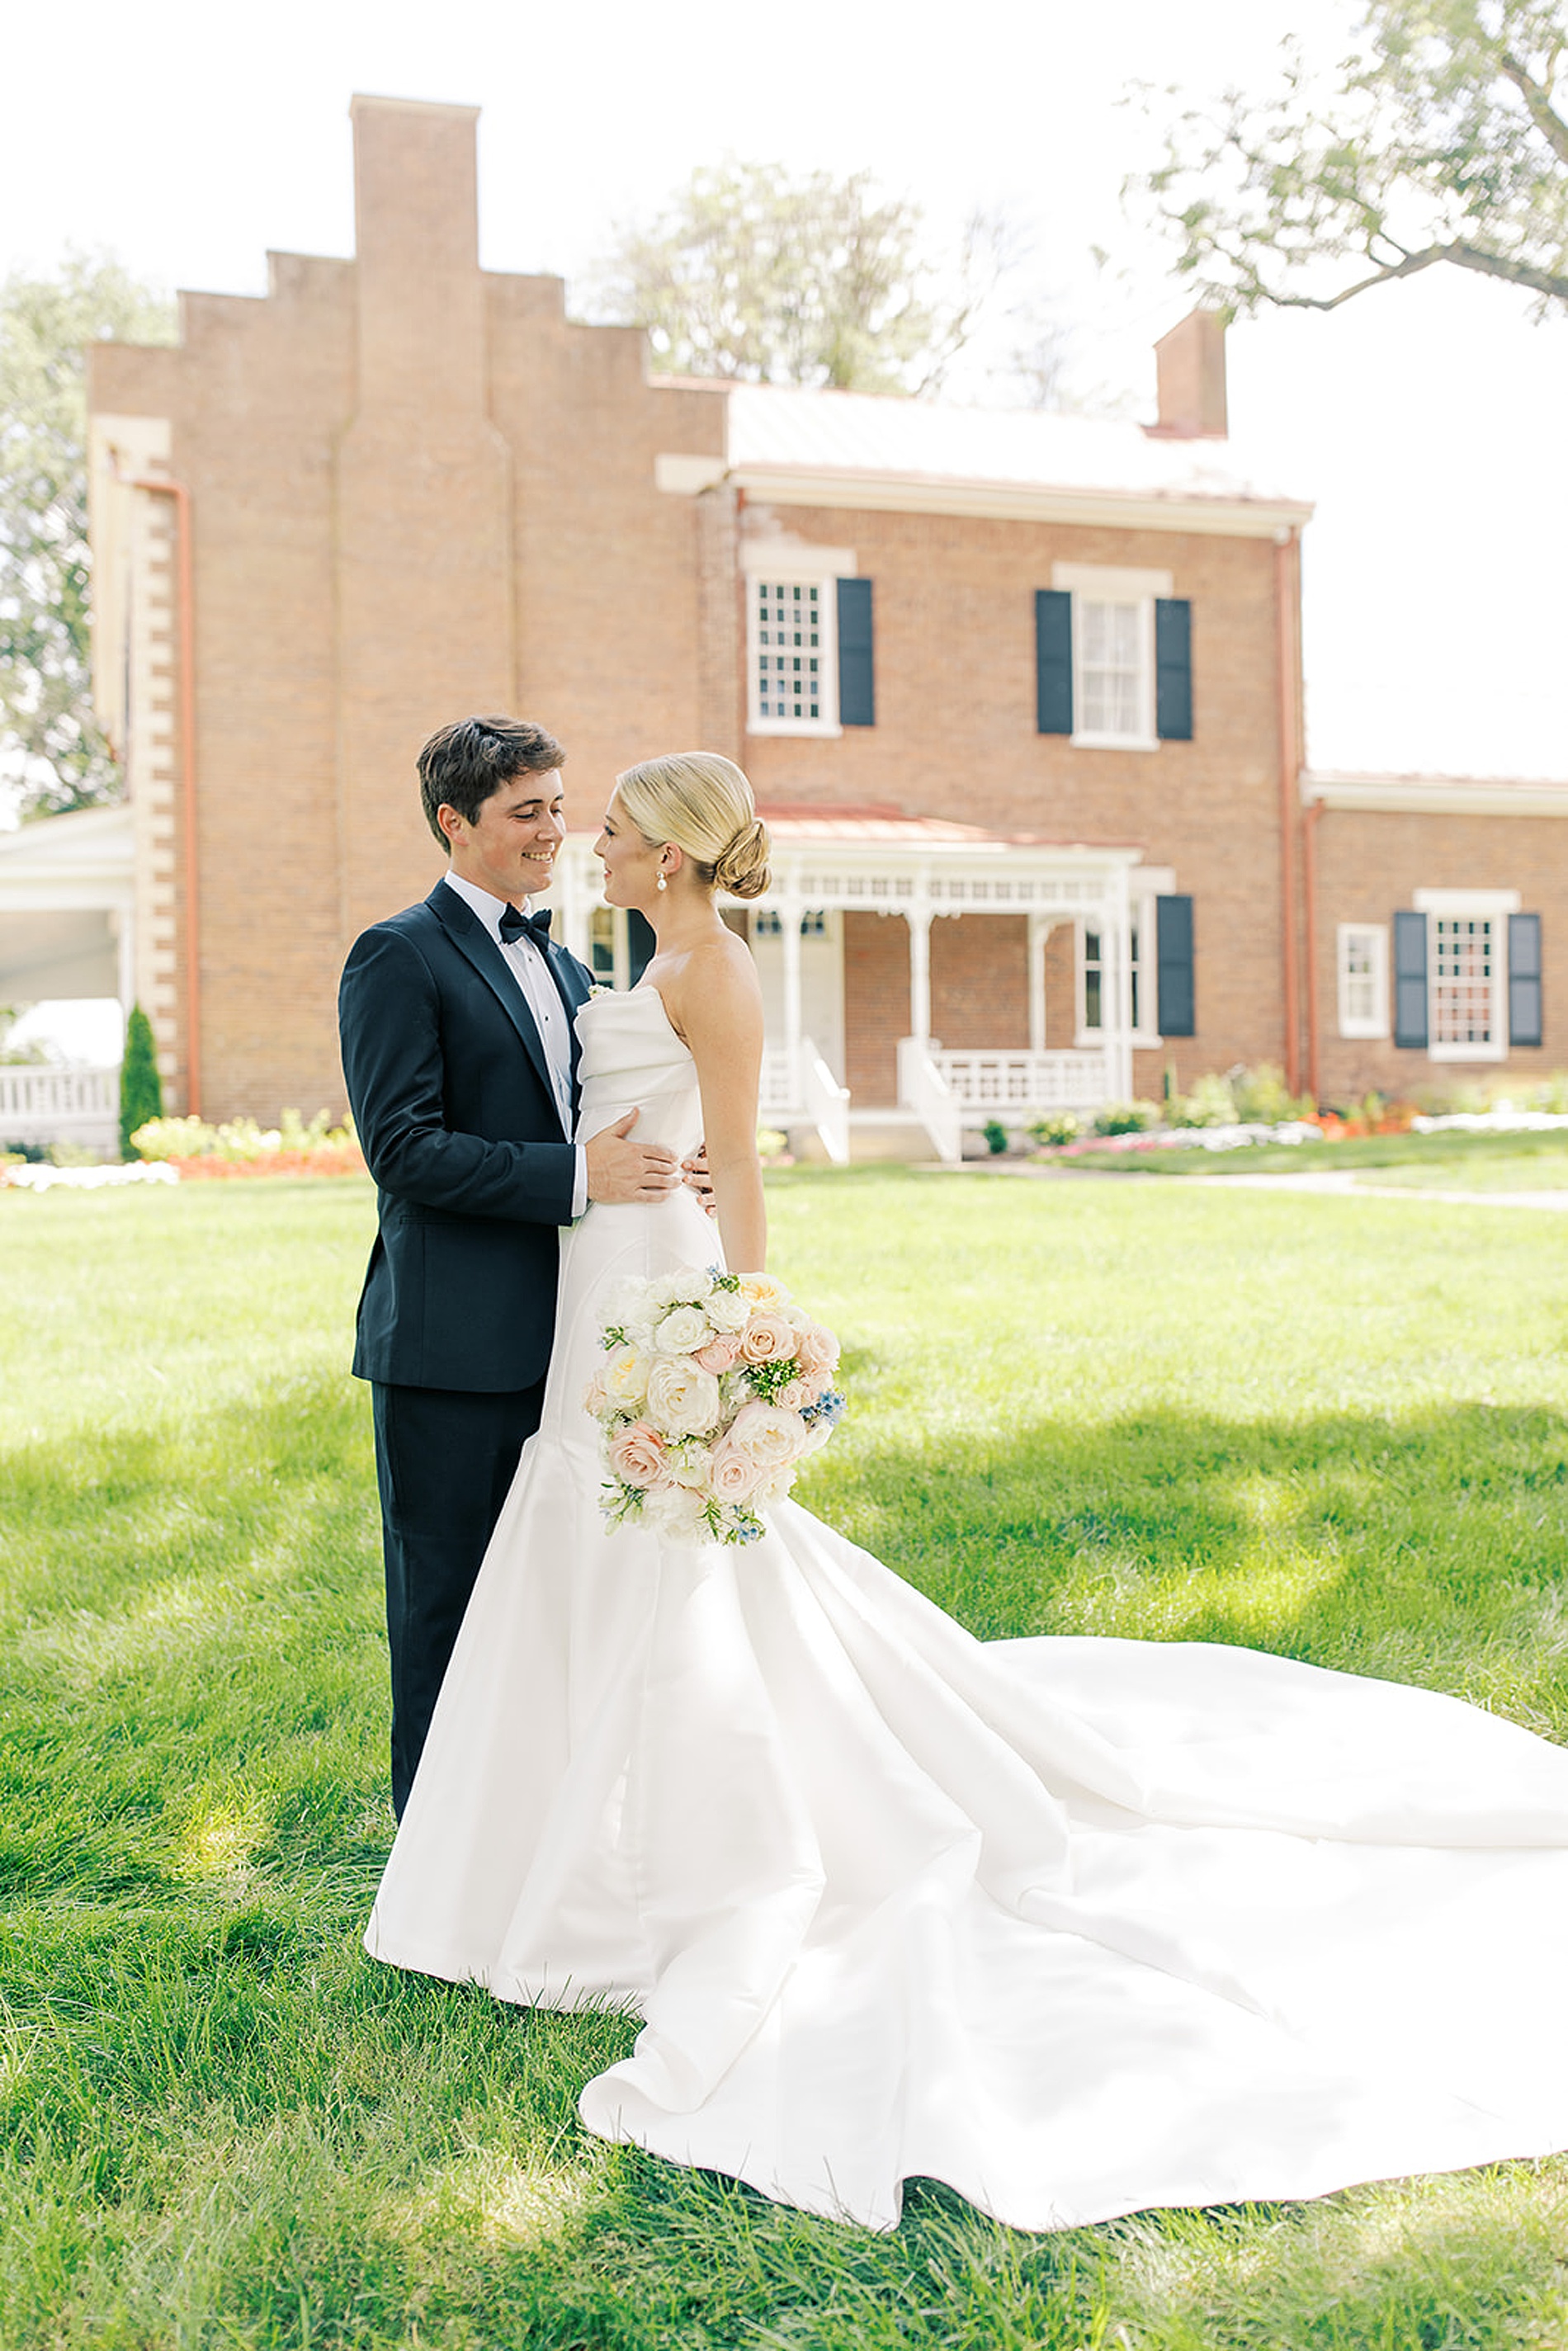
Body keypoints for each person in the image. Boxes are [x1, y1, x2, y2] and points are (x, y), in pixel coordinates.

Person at [365, 749, 1568, 2235]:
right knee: (596, 1555)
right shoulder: (617, 955)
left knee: (677, 1564)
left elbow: (734, 1158)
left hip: (659, 1291)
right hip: (589, 1286)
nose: (583, 843)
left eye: (602, 826)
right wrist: (593, 1183)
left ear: (664, 855)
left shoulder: (711, 973)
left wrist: (748, 1330)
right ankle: (532, 1835)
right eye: (564, 821)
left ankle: (659, 1854)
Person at [338, 715, 690, 1819]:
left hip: (560, 1339)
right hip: (445, 1352)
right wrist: (577, 1177)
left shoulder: (568, 963)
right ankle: (431, 1855)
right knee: (444, 1608)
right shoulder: (396, 956)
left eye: (557, 804)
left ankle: (525, 1835)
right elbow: (403, 1148)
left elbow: (604, 1109)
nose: (555, 832)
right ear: (456, 824)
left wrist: (680, 1168)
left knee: (543, 1603)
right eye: (526, 811)